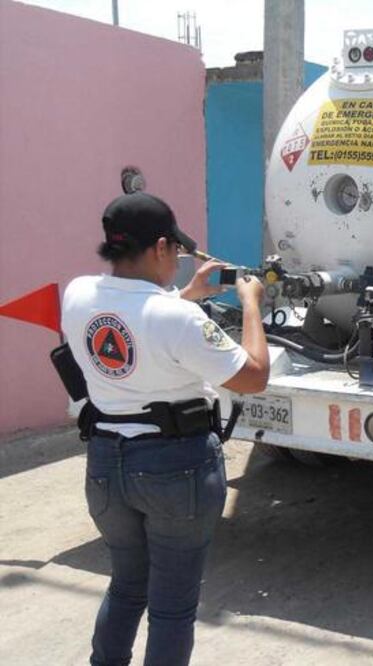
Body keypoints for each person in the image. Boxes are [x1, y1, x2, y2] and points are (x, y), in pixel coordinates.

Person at [61, 192, 270, 665]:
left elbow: (136, 322)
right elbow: (254, 376)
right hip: (176, 470)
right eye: (174, 250)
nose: (177, 259)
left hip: (106, 463)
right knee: (172, 607)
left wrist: (186, 295)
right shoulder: (178, 318)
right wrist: (250, 303)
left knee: (127, 586)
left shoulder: (77, 294)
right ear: (160, 247)